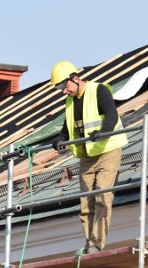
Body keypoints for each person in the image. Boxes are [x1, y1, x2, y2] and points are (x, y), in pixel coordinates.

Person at [49, 61, 128, 254]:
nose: (63, 92)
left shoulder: (98, 90)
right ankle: (89, 243)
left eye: (64, 86)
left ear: (75, 78)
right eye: (59, 88)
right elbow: (68, 128)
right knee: (86, 202)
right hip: (87, 155)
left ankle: (96, 244)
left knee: (102, 194)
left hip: (107, 150)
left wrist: (104, 131)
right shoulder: (70, 101)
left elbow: (111, 115)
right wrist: (61, 138)